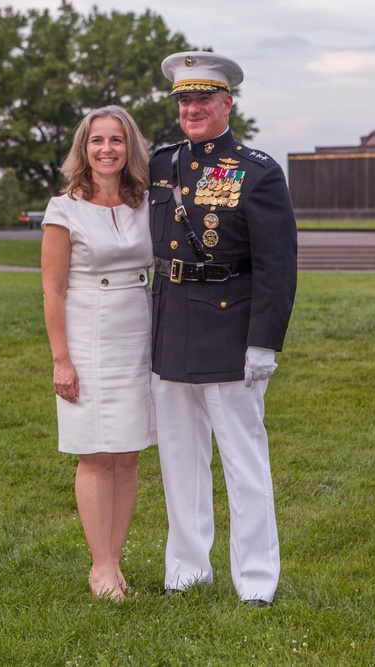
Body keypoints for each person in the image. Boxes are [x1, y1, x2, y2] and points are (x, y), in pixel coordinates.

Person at [149, 52, 297, 607]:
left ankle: (256, 580)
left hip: (231, 332)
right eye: (185, 100)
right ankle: (186, 572)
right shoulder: (162, 165)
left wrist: (263, 342)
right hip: (171, 328)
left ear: (227, 103)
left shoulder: (256, 170)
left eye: (203, 99)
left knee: (244, 464)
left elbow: (278, 266)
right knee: (180, 463)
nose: (192, 109)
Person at [41, 105, 155, 600]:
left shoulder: (147, 202)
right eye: (96, 141)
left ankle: (117, 558)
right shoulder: (63, 208)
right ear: (83, 150)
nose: (106, 149)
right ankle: (101, 567)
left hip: (139, 334)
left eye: (116, 140)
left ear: (130, 147)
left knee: (127, 454)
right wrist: (61, 359)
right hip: (88, 333)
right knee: (95, 454)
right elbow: (53, 291)